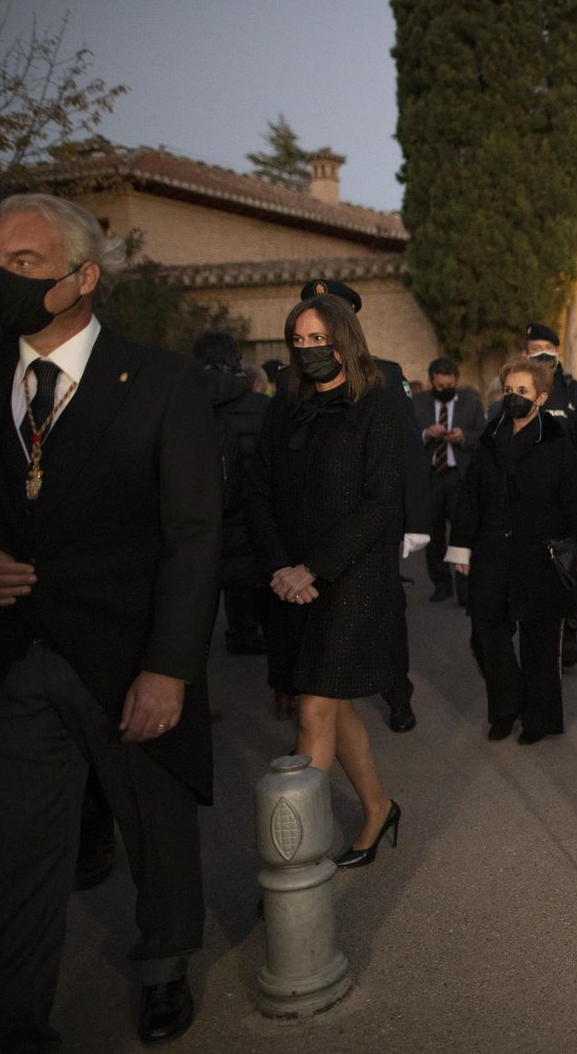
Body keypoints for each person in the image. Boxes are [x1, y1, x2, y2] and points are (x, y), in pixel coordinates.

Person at [0, 193, 222, 1048]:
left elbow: (194, 534)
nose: (0, 277)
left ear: (81, 278)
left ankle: (164, 966)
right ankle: (14, 1015)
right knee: (15, 848)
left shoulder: (161, 382)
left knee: (153, 828)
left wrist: (170, 666)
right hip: (14, 661)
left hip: (129, 657)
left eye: (22, 263)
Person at [247, 294, 404, 869]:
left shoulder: (376, 407)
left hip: (351, 578)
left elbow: (381, 502)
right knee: (331, 705)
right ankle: (379, 807)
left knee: (313, 709)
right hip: (291, 580)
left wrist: (312, 568)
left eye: (320, 339)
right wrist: (281, 570)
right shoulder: (280, 409)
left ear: (345, 341)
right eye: (299, 340)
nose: (309, 349)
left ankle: (298, 860)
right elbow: (257, 493)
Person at [295, 279, 430, 733]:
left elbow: (408, 449)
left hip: (373, 518)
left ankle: (397, 693)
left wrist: (417, 518)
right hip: (314, 520)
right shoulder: (292, 379)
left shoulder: (385, 374)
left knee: (386, 609)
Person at [447, 358, 577, 742]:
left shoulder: (555, 442)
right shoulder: (488, 440)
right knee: (487, 635)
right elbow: (470, 498)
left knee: (539, 643)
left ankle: (540, 718)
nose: (513, 398)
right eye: (508, 391)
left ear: (541, 398)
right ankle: (505, 707)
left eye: (522, 391)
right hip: (491, 555)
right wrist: (461, 548)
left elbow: (576, 497)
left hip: (539, 559)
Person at [511, 324, 577, 667]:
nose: (542, 354)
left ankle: (568, 634)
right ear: (525, 353)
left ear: (557, 351)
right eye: (535, 347)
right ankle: (533, 633)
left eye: (548, 347)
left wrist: (562, 472)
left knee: (567, 569)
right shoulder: (518, 392)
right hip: (524, 500)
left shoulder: (576, 394)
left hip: (566, 499)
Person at [194, 329, 271, 656]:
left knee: (195, 605)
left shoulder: (181, 403)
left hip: (198, 519)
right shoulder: (263, 407)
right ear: (237, 361)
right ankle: (279, 681)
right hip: (252, 516)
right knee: (256, 584)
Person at [413, 357, 485, 605]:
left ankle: (464, 588)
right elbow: (408, 435)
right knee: (433, 533)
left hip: (459, 476)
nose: (444, 390)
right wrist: (426, 433)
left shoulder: (470, 403)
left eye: (449, 385)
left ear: (456, 381)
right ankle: (441, 584)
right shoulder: (418, 403)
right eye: (439, 387)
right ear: (431, 382)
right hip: (431, 476)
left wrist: (463, 436)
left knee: (462, 532)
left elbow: (483, 434)